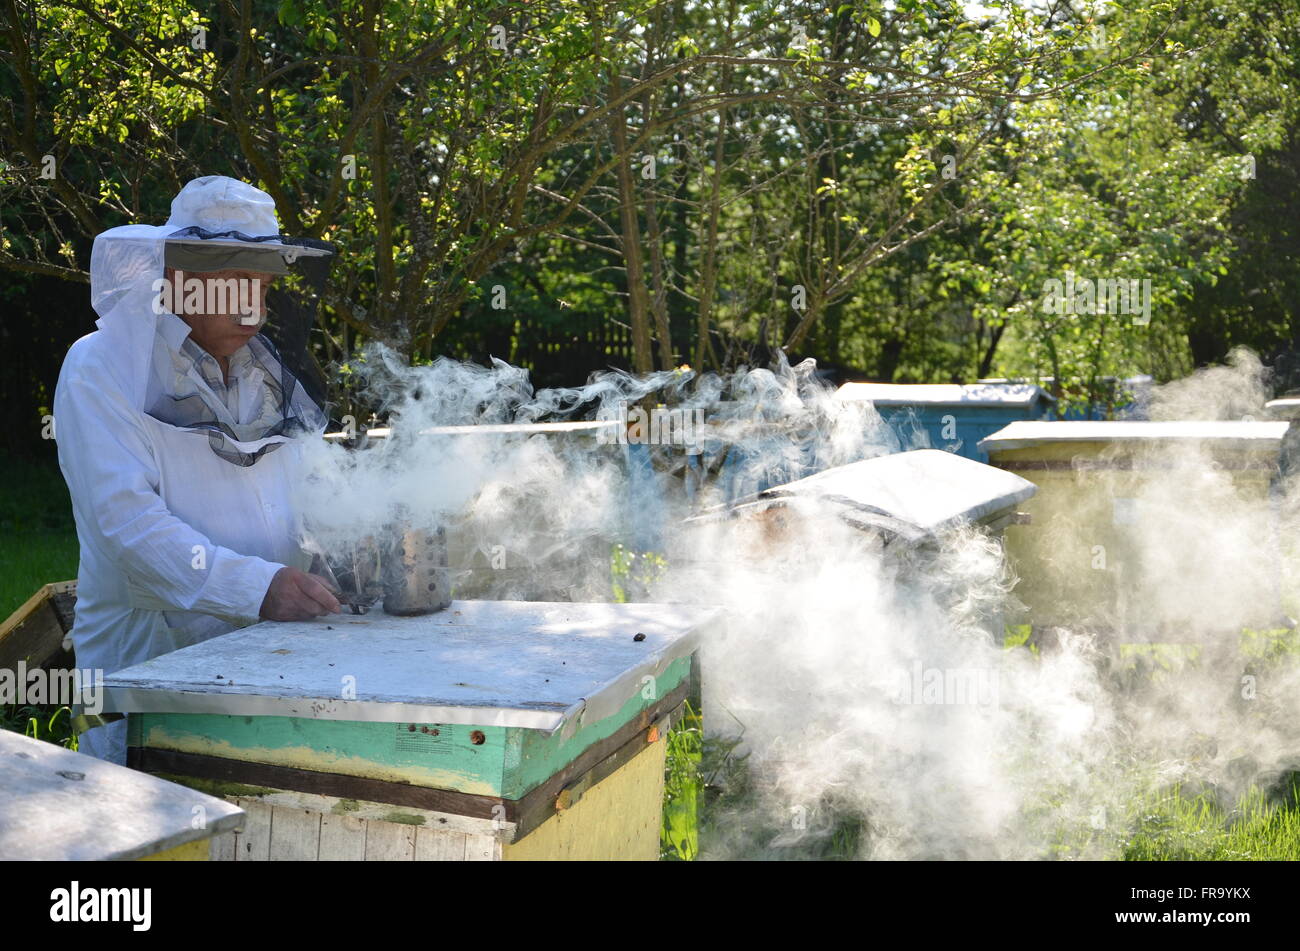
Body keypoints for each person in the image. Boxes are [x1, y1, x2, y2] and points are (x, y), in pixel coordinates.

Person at [54, 176, 342, 764]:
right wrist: (259, 587)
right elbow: (127, 528)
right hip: (146, 670)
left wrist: (348, 543)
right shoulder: (101, 366)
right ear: (179, 278)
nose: (253, 309)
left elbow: (314, 483)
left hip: (269, 660)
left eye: (262, 287)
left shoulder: (261, 368)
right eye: (237, 284)